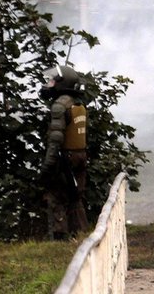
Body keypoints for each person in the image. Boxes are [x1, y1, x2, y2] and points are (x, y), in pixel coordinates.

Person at [40, 64, 89, 240]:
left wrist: (48, 165)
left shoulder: (60, 106)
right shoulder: (78, 104)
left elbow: (56, 139)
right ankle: (81, 236)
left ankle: (61, 239)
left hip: (65, 158)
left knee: (56, 197)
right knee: (76, 197)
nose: (48, 84)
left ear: (62, 83)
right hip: (80, 156)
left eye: (52, 81)